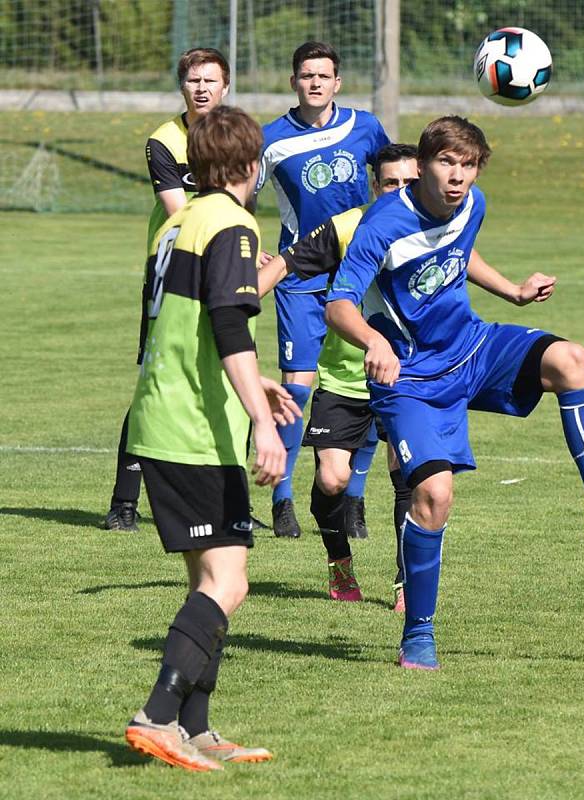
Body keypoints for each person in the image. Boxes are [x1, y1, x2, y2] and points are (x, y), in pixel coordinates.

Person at [325, 116, 584, 671]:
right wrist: (374, 339)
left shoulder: (474, 204)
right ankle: (418, 633)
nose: (456, 176)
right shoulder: (383, 224)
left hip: (470, 348)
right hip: (412, 379)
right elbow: (338, 303)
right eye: (446, 163)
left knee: (570, 359)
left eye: (467, 165)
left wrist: (513, 291)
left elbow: (459, 251)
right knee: (434, 497)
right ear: (423, 165)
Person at [123, 106, 300, 770]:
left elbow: (201, 319)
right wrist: (261, 418)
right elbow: (230, 326)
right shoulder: (231, 222)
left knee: (211, 578)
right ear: (252, 166)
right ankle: (158, 715)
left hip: (169, 414)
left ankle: (195, 728)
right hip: (194, 430)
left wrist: (257, 389)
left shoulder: (181, 219)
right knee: (228, 582)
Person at [258, 144, 418, 608]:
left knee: (408, 473)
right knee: (332, 480)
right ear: (375, 185)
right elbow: (288, 262)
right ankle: (339, 561)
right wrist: (239, 298)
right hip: (345, 377)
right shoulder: (349, 226)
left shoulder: (433, 226)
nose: (400, 192)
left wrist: (513, 290)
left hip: (409, 377)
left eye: (410, 183)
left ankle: (407, 579)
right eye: (391, 183)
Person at [256, 41, 390, 539]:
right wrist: (253, 252)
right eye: (305, 75)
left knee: (373, 381)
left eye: (324, 75)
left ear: (338, 83)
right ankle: (282, 498)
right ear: (293, 81)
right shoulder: (270, 140)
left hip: (357, 277)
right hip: (299, 275)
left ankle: (353, 497)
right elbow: (239, 198)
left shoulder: (366, 127)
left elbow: (396, 181)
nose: (314, 82)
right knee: (298, 384)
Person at [104, 47, 231, 533]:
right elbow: (181, 210)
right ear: (182, 87)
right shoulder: (163, 140)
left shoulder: (240, 137)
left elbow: (241, 202)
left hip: (223, 267)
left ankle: (223, 504)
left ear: (225, 87)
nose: (201, 88)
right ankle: (124, 501)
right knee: (154, 384)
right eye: (193, 80)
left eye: (210, 81)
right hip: (172, 270)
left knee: (224, 381)